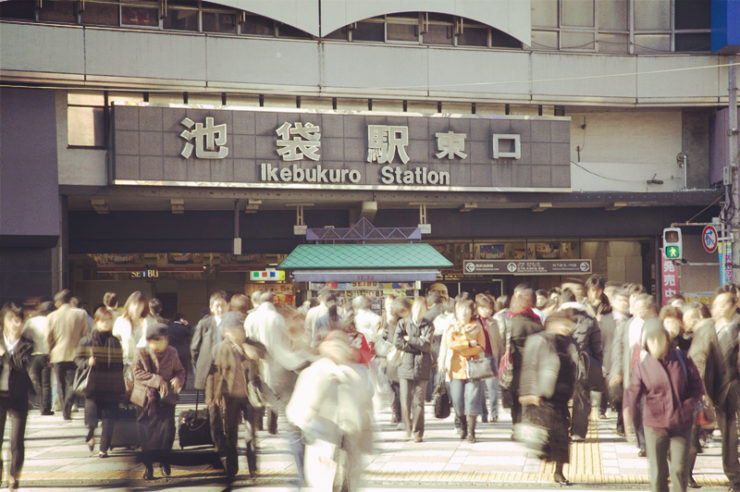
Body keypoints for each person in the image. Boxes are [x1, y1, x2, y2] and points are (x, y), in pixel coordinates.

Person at [287, 330, 374, 492]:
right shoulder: (315, 372)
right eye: (334, 346)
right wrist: (312, 426)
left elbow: (365, 410)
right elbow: (297, 411)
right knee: (324, 484)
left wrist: (366, 442)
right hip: (324, 444)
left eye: (342, 346)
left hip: (349, 446)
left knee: (347, 484)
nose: (339, 350)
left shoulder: (355, 374)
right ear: (325, 348)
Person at [625, 320, 704, 492]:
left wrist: (687, 407)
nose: (655, 344)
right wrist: (633, 423)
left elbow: (697, 387)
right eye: (651, 340)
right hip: (654, 424)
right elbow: (634, 394)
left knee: (679, 470)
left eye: (659, 339)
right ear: (645, 343)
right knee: (658, 472)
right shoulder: (643, 366)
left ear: (667, 340)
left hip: (681, 423)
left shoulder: (682, 359)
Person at [519, 311, 579, 486]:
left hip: (562, 396)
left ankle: (559, 472)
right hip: (543, 395)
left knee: (562, 436)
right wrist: (528, 393)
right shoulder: (539, 340)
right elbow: (529, 367)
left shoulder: (569, 342)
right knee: (544, 434)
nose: (569, 327)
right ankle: (544, 457)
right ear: (552, 323)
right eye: (565, 323)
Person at [212, 314, 264, 479]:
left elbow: (264, 353)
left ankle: (252, 467)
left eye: (240, 329)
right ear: (226, 332)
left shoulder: (250, 344)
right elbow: (217, 374)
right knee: (231, 433)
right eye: (233, 330)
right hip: (231, 396)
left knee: (251, 433)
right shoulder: (221, 348)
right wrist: (217, 394)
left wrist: (251, 352)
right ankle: (232, 468)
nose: (238, 333)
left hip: (250, 397)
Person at [131, 323, 185, 480]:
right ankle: (148, 467)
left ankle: (165, 461)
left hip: (166, 397)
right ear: (149, 340)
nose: (161, 344)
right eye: (156, 341)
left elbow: (181, 371)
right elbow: (137, 373)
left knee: (168, 431)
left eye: (163, 340)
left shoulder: (172, 352)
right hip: (145, 398)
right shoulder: (140, 352)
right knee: (145, 434)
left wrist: (178, 379)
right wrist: (156, 379)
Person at [75, 307, 125, 458]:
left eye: (109, 321)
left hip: (111, 385)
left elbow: (120, 364)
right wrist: (86, 362)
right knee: (91, 418)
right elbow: (77, 359)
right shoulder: (87, 340)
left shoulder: (115, 341)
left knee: (109, 418)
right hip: (93, 386)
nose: (106, 324)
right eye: (103, 321)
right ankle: (90, 435)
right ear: (96, 321)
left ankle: (103, 449)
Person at [612, 291, 658, 457]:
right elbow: (619, 349)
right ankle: (642, 442)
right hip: (633, 371)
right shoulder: (628, 324)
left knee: (649, 408)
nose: (637, 311)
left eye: (641, 308)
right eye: (635, 308)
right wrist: (617, 372)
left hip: (652, 373)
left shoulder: (657, 324)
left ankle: (651, 441)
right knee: (636, 408)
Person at [559, 289, 602, 441]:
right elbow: (597, 347)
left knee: (559, 397)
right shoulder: (590, 320)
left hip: (560, 364)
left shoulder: (556, 319)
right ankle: (578, 432)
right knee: (582, 397)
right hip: (582, 364)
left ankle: (562, 429)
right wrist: (598, 363)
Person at [0, 302, 33, 490]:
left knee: (16, 441)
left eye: (20, 320)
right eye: (13, 320)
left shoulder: (27, 344)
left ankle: (14, 477)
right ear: (4, 320)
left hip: (18, 397)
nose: (17, 324)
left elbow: (21, 365)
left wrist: (4, 355)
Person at [190, 291, 228, 454]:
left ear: (227, 306)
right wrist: (201, 366)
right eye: (216, 306)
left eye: (222, 305)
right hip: (211, 371)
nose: (220, 309)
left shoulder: (231, 323)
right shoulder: (204, 324)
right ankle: (218, 441)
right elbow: (194, 348)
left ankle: (228, 439)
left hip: (228, 370)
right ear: (212, 308)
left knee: (227, 408)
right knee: (213, 408)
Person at [445, 297, 486, 443]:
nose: (463, 312)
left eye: (466, 309)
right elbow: (450, 344)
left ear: (471, 311)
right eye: (460, 309)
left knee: (472, 400)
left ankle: (471, 432)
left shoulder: (478, 327)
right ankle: (462, 424)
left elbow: (481, 347)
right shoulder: (452, 327)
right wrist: (468, 343)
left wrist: (463, 349)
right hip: (456, 369)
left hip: (473, 368)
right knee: (457, 402)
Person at [393, 296, 433, 442]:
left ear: (425, 310)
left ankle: (418, 431)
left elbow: (427, 345)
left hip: (423, 366)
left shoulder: (428, 325)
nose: (418, 311)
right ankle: (408, 427)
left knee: (419, 401)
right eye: (416, 308)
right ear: (412, 308)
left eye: (422, 309)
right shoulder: (403, 323)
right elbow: (397, 342)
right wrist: (417, 344)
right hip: (405, 365)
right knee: (405, 400)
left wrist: (410, 340)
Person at [46, 289, 89, 420]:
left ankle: (65, 406)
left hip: (57, 354)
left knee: (60, 383)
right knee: (73, 383)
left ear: (59, 302)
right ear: (70, 300)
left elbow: (49, 338)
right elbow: (85, 335)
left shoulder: (51, 316)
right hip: (75, 354)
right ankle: (68, 407)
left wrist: (49, 353)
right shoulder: (81, 314)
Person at [507, 285, 544, 426]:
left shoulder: (511, 322)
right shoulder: (537, 322)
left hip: (515, 368)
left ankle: (516, 426)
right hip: (533, 368)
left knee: (515, 398)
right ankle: (529, 423)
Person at [475, 293, 502, 424]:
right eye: (484, 308)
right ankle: (484, 413)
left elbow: (499, 341)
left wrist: (500, 357)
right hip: (478, 358)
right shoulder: (474, 322)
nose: (487, 311)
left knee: (493, 388)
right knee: (479, 388)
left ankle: (494, 412)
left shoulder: (494, 322)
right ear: (478, 308)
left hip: (492, 357)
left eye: (489, 308)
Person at [23, 300, 53, 415]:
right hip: (47, 355)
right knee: (46, 384)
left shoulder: (31, 321)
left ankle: (35, 402)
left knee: (34, 381)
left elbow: (24, 335)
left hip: (34, 355)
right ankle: (45, 408)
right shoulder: (50, 321)